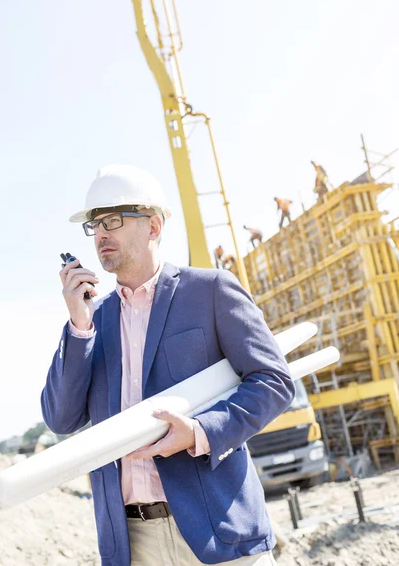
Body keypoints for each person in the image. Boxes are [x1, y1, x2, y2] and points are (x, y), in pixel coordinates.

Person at [41, 164, 295, 566]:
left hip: (218, 532)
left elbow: (274, 381)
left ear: (153, 226)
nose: (101, 234)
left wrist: (199, 432)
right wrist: (79, 325)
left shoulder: (210, 291)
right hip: (133, 544)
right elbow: (61, 419)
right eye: (94, 225)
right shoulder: (92, 323)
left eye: (112, 220)